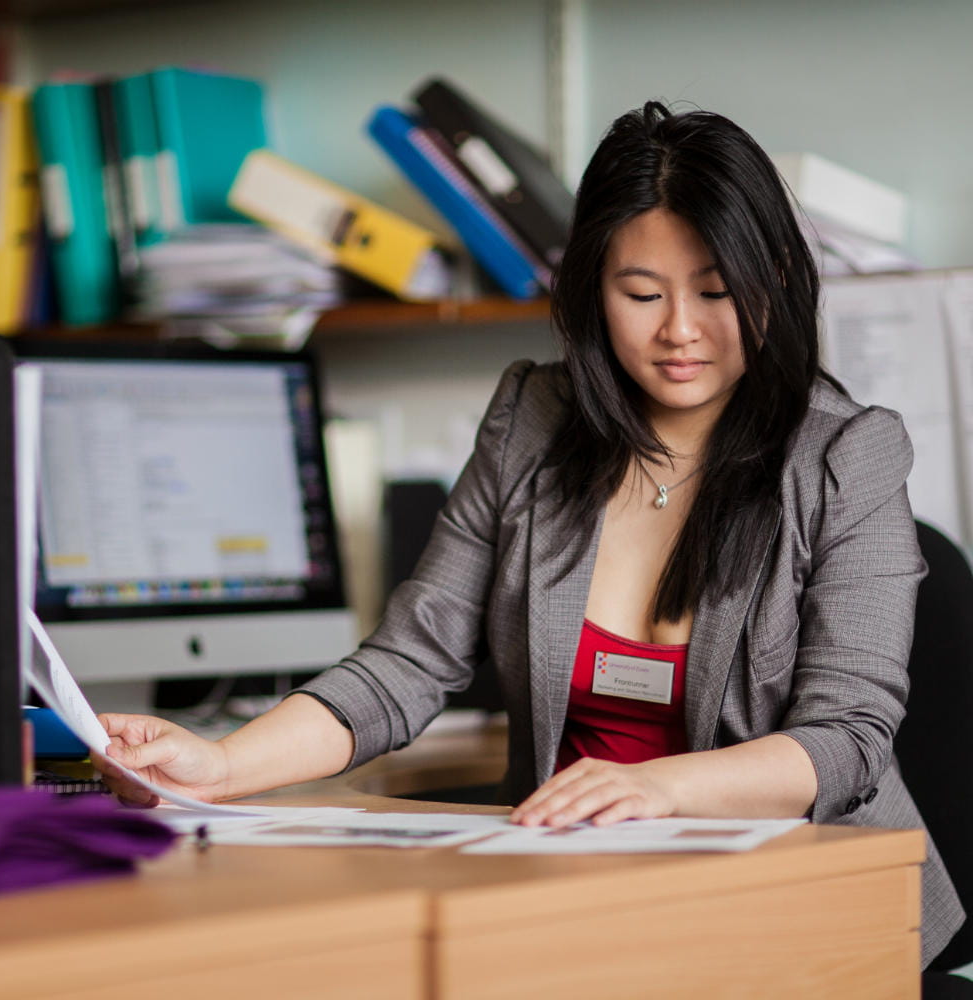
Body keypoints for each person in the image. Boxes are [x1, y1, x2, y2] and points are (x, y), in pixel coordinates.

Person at [96, 101, 962, 967]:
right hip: (574, 897)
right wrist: (221, 763)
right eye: (641, 294)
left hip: (808, 910)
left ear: (773, 283)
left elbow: (846, 737)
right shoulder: (531, 419)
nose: (680, 331)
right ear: (592, 289)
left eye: (716, 291)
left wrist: (658, 788)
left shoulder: (848, 451)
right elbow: (407, 664)